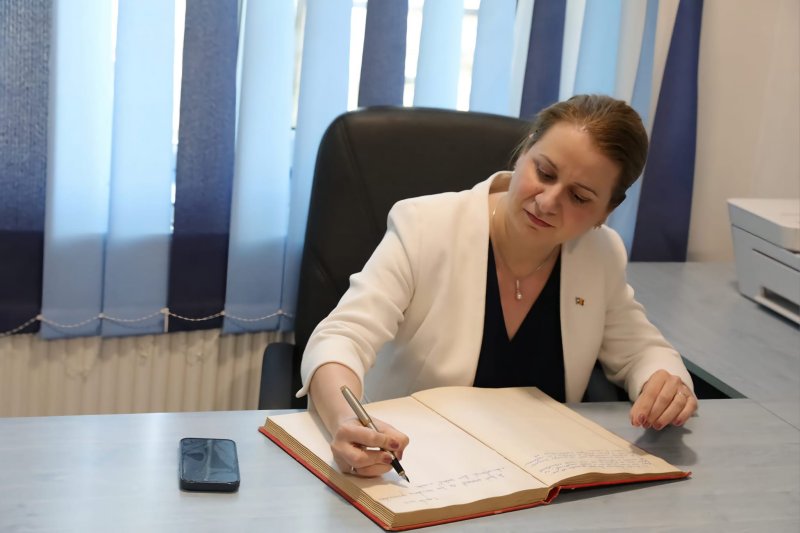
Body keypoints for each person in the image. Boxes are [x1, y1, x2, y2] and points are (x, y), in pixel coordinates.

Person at [296, 94, 698, 478]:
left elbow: (642, 350)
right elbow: (341, 338)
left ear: (606, 211)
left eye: (579, 197)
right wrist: (346, 421)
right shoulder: (424, 226)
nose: (548, 202)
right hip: (416, 469)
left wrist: (663, 384)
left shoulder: (600, 254)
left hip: (539, 478)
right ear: (525, 150)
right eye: (544, 173)